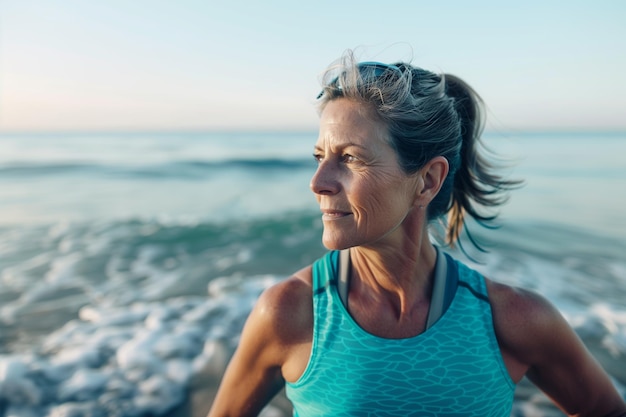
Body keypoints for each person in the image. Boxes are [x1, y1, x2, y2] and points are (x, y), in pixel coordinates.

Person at [208, 51, 626, 416]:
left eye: (349, 158)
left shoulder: (510, 321)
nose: (318, 181)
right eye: (320, 156)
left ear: (427, 181)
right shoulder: (291, 314)